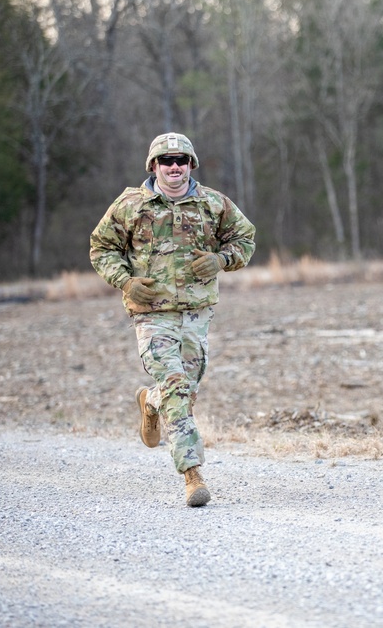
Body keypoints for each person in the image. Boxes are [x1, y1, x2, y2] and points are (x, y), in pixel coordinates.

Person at [90, 132, 256, 507]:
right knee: (177, 384)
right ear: (153, 166)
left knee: (188, 388)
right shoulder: (130, 205)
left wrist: (221, 260)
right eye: (166, 161)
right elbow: (101, 248)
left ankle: (150, 401)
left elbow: (245, 239)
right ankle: (192, 474)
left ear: (191, 164)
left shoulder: (213, 204)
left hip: (197, 313)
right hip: (151, 315)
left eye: (181, 160)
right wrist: (126, 281)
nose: (175, 166)